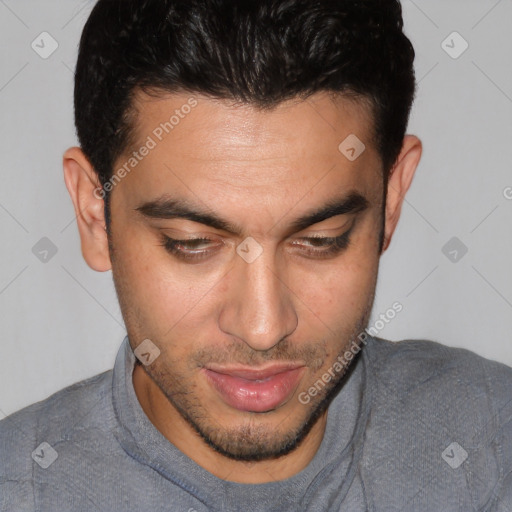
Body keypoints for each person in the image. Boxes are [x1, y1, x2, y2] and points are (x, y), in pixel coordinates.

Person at [1, 0, 511, 510]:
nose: (263, 327)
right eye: (192, 243)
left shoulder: (494, 442)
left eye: (321, 239)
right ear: (95, 213)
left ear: (391, 200)